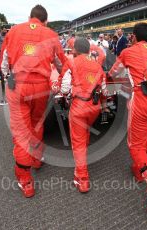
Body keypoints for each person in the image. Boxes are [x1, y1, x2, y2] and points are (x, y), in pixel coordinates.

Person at [0, 5, 67, 198]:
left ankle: (25, 181)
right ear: (45, 20)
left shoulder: (13, 31)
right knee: (37, 124)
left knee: (21, 133)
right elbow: (61, 63)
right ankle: (37, 159)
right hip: (41, 87)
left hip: (18, 86)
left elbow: (4, 62)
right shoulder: (51, 34)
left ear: (30, 17)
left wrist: (8, 78)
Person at [108, 23, 147, 215]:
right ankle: (138, 169)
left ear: (133, 36)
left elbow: (113, 73)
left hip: (142, 102)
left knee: (135, 145)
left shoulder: (128, 51)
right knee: (144, 137)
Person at [56, 38, 107, 193]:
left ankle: (82, 179)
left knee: (77, 141)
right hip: (94, 107)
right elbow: (104, 91)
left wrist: (62, 90)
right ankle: (83, 155)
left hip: (79, 107)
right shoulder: (97, 65)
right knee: (84, 133)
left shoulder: (71, 63)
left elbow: (64, 89)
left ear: (75, 50)